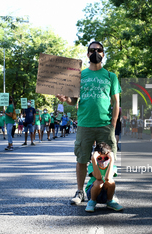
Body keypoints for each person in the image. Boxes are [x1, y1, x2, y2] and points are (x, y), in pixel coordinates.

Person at [57, 41, 121, 205]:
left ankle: (109, 194)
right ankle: (80, 192)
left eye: (99, 50)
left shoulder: (110, 76)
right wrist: (66, 99)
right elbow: (73, 101)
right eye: (92, 50)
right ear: (87, 54)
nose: (95, 52)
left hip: (105, 125)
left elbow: (116, 103)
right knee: (82, 159)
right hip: (85, 124)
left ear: (103, 54)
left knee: (107, 159)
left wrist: (113, 125)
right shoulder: (79, 76)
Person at [85, 142, 123, 212]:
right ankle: (91, 202)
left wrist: (111, 161)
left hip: (106, 195)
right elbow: (98, 178)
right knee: (99, 182)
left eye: (105, 158)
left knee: (110, 181)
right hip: (93, 194)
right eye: (99, 158)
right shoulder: (91, 165)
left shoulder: (113, 167)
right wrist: (93, 160)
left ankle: (110, 201)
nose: (102, 160)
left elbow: (108, 178)